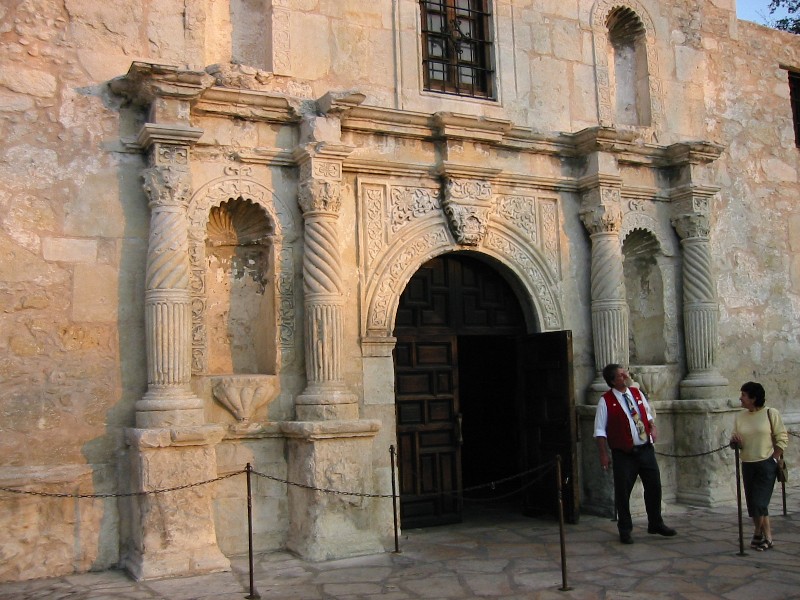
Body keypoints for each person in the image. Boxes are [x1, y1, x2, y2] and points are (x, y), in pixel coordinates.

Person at [594, 363, 676, 544]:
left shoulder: (637, 394)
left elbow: (647, 415)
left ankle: (655, 522)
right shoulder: (606, 401)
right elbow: (600, 431)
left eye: (625, 373)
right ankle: (625, 528)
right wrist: (603, 454)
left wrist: (653, 428)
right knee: (623, 491)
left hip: (645, 449)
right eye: (621, 375)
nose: (625, 376)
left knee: (654, 485)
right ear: (612, 381)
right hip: (624, 453)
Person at [730, 381, 788, 551]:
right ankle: (765, 536)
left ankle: (760, 533)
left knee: (760, 503)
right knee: (754, 504)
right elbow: (735, 440)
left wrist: (774, 458)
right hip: (748, 464)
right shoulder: (740, 417)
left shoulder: (771, 413)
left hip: (766, 464)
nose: (740, 398)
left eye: (743, 395)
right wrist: (735, 442)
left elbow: (782, 437)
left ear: (753, 398)